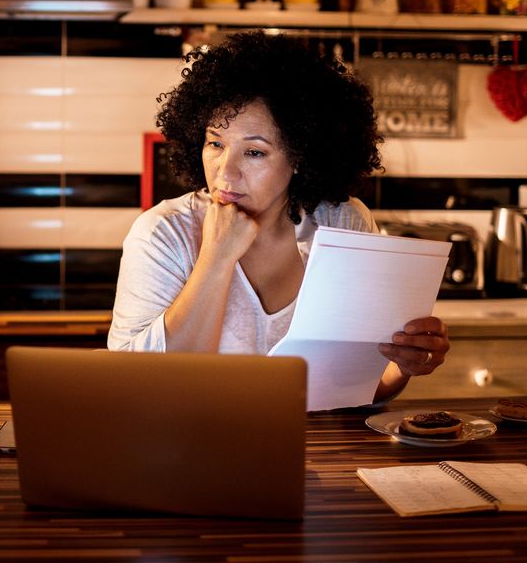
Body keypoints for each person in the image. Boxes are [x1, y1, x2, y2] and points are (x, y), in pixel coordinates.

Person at [108, 31, 449, 404]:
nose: (225, 172)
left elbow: (354, 389)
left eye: (254, 152)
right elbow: (138, 387)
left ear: (300, 156)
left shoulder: (340, 221)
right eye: (215, 143)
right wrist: (216, 259)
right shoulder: (162, 233)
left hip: (312, 449)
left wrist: (403, 364)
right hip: (189, 450)